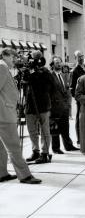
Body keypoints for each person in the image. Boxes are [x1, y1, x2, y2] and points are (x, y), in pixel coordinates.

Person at [0, 48, 41, 184]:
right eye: (13, 56)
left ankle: (2, 173)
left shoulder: (4, 68)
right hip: (4, 114)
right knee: (14, 146)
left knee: (2, 146)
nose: (16, 59)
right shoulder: (2, 67)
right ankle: (24, 175)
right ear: (5, 55)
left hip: (4, 113)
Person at [25, 51, 54, 164]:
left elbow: (49, 87)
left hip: (42, 105)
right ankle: (35, 151)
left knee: (44, 130)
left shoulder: (45, 72)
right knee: (32, 130)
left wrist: (35, 73)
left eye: (35, 59)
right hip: (30, 104)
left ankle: (44, 153)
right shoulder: (28, 72)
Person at [50, 56, 79, 154]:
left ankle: (68, 145)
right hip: (55, 106)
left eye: (59, 62)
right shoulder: (51, 75)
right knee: (55, 129)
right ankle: (56, 148)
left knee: (65, 127)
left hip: (64, 106)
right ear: (53, 64)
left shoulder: (62, 75)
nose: (58, 64)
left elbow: (65, 89)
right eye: (56, 62)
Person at [70, 51, 85, 146]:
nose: (81, 58)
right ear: (75, 58)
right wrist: (78, 98)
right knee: (79, 118)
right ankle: (79, 139)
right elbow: (72, 88)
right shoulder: (75, 71)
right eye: (79, 57)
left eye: (82, 56)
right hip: (80, 99)